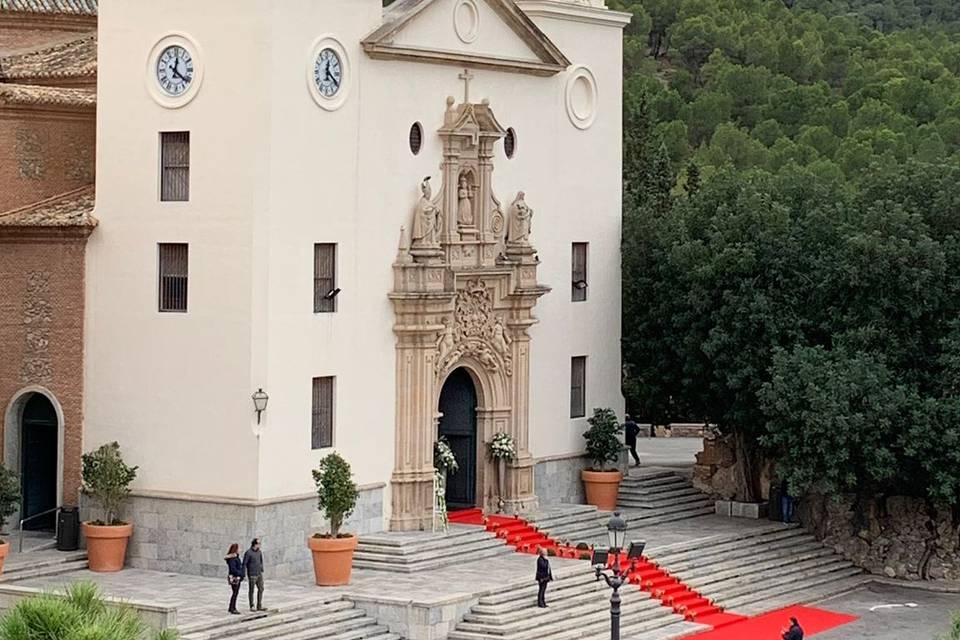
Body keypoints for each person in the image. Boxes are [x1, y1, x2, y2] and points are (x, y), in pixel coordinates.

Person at [243, 538, 265, 611]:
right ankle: (252, 605)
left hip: (259, 574)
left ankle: (259, 605)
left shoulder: (259, 552)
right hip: (252, 574)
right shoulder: (248, 553)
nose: (260, 545)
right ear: (255, 544)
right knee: (251, 590)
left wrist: (261, 568)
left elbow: (261, 561)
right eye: (259, 543)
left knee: (261, 588)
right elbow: (244, 564)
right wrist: (244, 573)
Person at [224, 543, 243, 615]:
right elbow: (233, 569)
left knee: (235, 593)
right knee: (235, 593)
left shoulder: (235, 557)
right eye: (239, 548)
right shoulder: (232, 559)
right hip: (235, 577)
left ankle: (231, 607)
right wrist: (240, 573)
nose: (240, 550)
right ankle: (232, 608)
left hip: (236, 577)